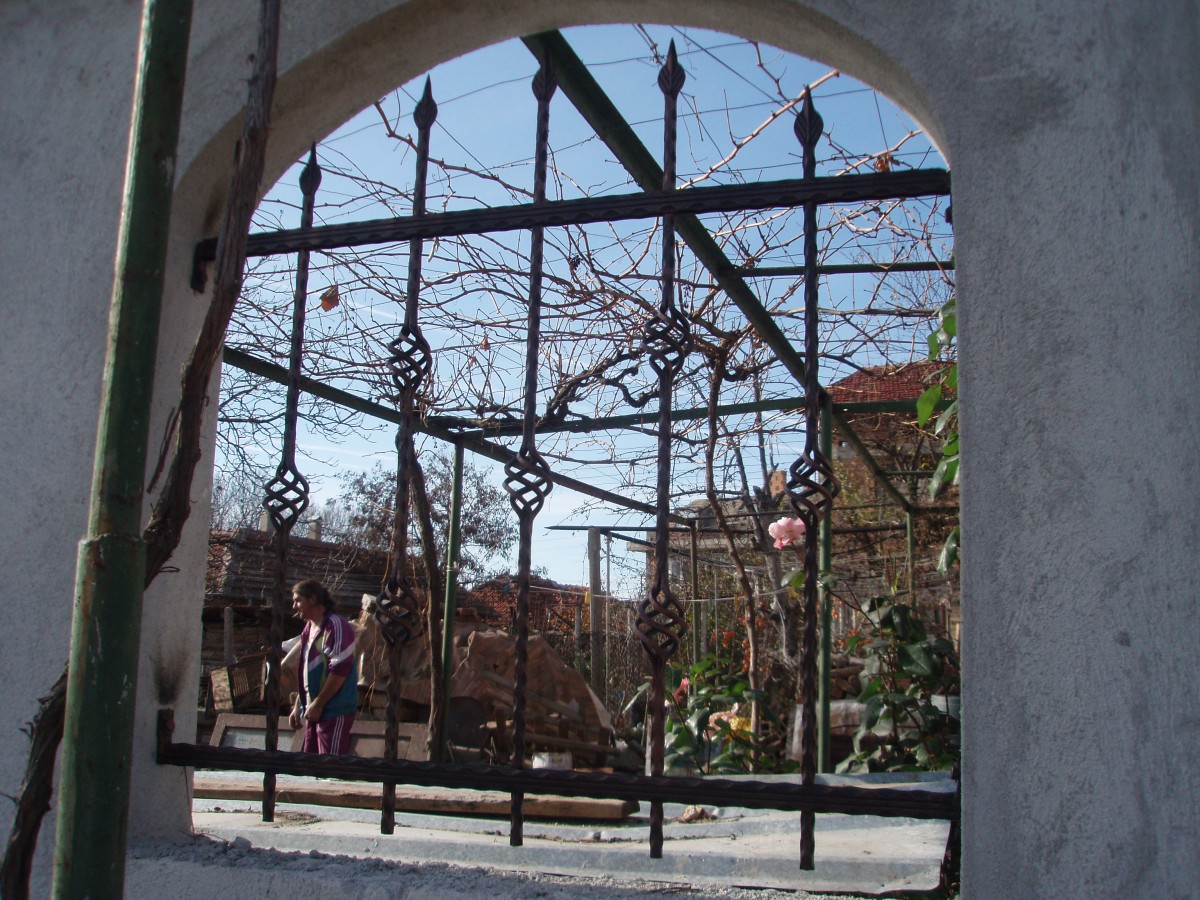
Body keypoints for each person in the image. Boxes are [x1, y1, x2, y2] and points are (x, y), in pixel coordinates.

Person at [286, 579, 358, 755]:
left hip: (333, 710)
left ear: (312, 600)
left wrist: (318, 704)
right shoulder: (308, 629)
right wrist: (299, 705)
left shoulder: (335, 626)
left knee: (329, 764)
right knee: (311, 764)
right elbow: (307, 672)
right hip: (313, 711)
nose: (294, 606)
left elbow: (340, 670)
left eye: (298, 600)